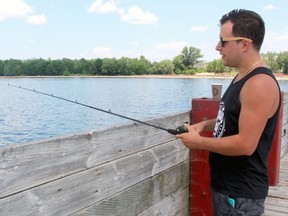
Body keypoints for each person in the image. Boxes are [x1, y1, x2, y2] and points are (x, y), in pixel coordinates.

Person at [176, 9, 281, 215]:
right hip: (227, 188)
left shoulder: (259, 84)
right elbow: (232, 118)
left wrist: (199, 142)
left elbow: (245, 144)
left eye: (223, 41)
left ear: (244, 44)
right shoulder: (243, 76)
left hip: (240, 196)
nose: (217, 47)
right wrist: (204, 125)